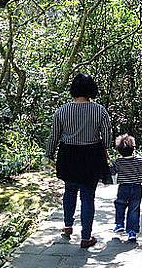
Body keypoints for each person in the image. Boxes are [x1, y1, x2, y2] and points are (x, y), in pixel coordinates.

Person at [46, 73, 112, 248]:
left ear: (73, 89)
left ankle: (68, 226)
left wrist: (49, 153)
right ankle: (86, 237)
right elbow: (106, 136)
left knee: (69, 190)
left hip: (68, 155)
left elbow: (54, 135)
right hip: (91, 155)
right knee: (88, 196)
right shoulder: (99, 110)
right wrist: (105, 149)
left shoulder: (62, 111)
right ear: (91, 89)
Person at [110, 134, 142, 242]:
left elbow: (112, 172)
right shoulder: (140, 160)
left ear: (119, 150)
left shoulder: (119, 161)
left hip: (123, 188)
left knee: (120, 205)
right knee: (134, 209)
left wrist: (108, 166)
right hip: (137, 188)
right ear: (133, 148)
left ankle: (119, 224)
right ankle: (132, 232)